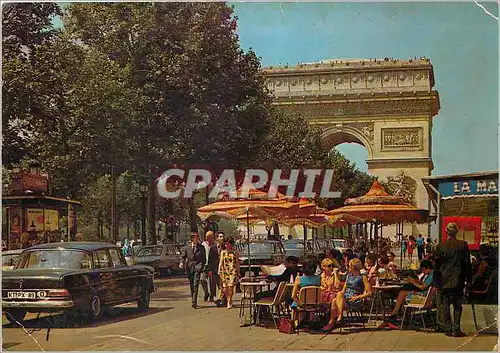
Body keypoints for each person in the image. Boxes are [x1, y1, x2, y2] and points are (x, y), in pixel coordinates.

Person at [434, 222, 472, 337]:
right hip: (458, 280)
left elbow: (437, 266)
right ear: (457, 232)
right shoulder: (463, 245)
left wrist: (436, 282)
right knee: (457, 305)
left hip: (444, 280)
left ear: (446, 232)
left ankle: (448, 329)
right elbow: (467, 264)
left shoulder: (440, 246)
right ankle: (456, 329)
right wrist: (468, 280)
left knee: (445, 305)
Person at [322, 258, 372, 331]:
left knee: (334, 301)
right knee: (337, 296)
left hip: (355, 298)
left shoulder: (363, 277)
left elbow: (369, 293)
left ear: (353, 267)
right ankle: (338, 317)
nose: (347, 267)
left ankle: (332, 323)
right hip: (345, 297)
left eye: (349, 266)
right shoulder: (349, 275)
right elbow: (343, 289)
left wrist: (357, 297)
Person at [290, 255, 321, 324]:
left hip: (303, 302)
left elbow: (293, 296)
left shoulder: (299, 279)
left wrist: (300, 303)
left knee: (294, 304)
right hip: (315, 302)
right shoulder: (319, 278)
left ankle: (293, 322)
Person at [180, 232, 206, 309]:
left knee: (196, 284)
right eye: (196, 238)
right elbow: (183, 256)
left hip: (197, 267)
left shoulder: (201, 247)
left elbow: (204, 258)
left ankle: (194, 302)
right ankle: (193, 299)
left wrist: (201, 266)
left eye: (198, 238)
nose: (197, 239)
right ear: (192, 239)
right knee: (191, 284)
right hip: (189, 268)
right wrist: (181, 263)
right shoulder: (187, 248)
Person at [218, 237, 240, 309]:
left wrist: (238, 271)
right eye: (226, 244)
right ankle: (228, 298)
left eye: (229, 244)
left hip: (232, 271)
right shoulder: (223, 252)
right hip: (224, 271)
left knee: (230, 286)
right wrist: (219, 270)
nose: (227, 246)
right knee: (225, 288)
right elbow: (221, 262)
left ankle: (229, 300)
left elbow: (237, 262)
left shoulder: (235, 252)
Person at [201, 231, 220, 302]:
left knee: (213, 281)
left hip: (212, 265)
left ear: (212, 237)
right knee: (203, 279)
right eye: (206, 237)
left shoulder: (215, 244)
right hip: (204, 265)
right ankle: (206, 293)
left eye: (209, 237)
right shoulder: (203, 244)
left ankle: (212, 295)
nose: (207, 238)